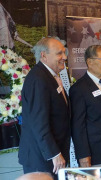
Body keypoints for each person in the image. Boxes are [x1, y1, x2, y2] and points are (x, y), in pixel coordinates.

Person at [18, 37, 70, 179]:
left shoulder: (48, 75)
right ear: (43, 56)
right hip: (42, 158)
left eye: (64, 52)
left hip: (51, 155)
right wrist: (54, 153)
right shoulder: (38, 79)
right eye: (59, 53)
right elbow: (39, 123)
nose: (64, 57)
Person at [70, 45, 101, 167]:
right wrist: (83, 155)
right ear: (89, 62)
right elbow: (77, 126)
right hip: (93, 155)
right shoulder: (79, 89)